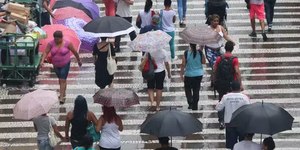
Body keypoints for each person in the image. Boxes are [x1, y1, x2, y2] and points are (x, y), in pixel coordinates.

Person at [40, 31, 82, 104]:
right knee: (61, 79)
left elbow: (75, 52)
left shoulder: (68, 43)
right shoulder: (51, 43)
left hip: (65, 64)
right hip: (55, 65)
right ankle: (63, 92)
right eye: (55, 39)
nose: (56, 41)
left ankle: (61, 96)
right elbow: (46, 52)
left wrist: (78, 60)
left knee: (62, 79)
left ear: (61, 38)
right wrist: (42, 61)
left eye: (58, 39)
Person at [213, 41, 242, 129]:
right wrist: (240, 83)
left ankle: (221, 121)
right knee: (231, 100)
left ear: (225, 48)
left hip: (221, 83)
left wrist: (214, 81)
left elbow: (214, 70)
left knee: (221, 100)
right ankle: (232, 118)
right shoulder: (234, 59)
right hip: (231, 83)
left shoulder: (219, 58)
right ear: (232, 49)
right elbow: (237, 72)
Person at [215, 81, 250, 149]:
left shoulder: (225, 97)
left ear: (231, 88)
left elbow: (218, 108)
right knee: (242, 144)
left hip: (229, 123)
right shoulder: (245, 97)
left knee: (232, 145)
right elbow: (249, 110)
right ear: (240, 88)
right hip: (241, 123)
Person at [205, 14, 234, 90]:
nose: (216, 22)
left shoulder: (221, 28)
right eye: (214, 21)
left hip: (219, 49)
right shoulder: (207, 29)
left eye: (217, 21)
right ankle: (214, 80)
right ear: (211, 21)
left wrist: (231, 41)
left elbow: (225, 36)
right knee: (214, 65)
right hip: (210, 50)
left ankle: (214, 78)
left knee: (220, 65)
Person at [180, 44, 206, 110]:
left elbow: (183, 64)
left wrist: (181, 74)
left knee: (187, 89)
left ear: (190, 45)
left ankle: (190, 103)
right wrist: (202, 53)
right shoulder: (200, 52)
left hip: (188, 74)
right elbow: (203, 62)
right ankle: (195, 104)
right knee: (196, 89)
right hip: (199, 74)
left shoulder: (186, 53)